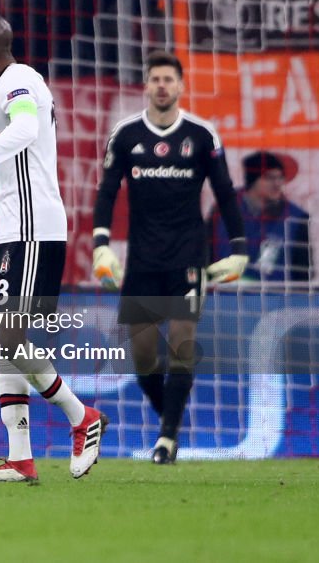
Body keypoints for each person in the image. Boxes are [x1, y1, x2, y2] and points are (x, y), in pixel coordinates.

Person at [0, 14, 107, 483]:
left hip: (31, 230)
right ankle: (19, 459)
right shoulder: (8, 84)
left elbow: (27, 129)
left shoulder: (18, 79)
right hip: (15, 228)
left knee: (9, 338)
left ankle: (81, 417)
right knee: (6, 345)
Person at [92, 50, 249, 465]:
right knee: (143, 356)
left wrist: (240, 248)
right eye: (155, 79)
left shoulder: (202, 135)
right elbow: (107, 190)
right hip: (142, 259)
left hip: (188, 257)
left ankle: (166, 438)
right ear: (146, 85)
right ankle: (171, 419)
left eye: (169, 79)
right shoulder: (125, 136)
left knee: (182, 345)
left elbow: (226, 193)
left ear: (180, 86)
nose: (162, 86)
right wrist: (101, 243)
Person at [207, 150, 311, 283]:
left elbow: (302, 275)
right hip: (223, 296)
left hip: (275, 300)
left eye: (280, 177)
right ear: (253, 180)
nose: (277, 183)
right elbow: (206, 253)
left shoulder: (296, 218)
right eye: (269, 177)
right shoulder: (224, 208)